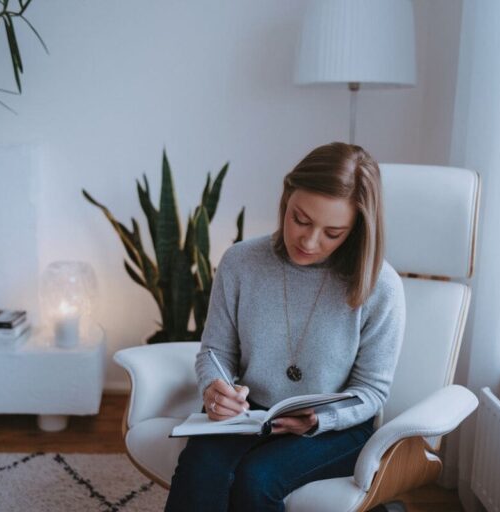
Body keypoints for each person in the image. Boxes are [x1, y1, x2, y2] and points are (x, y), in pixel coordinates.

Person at [164, 142, 406, 512]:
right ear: (286, 197)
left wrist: (319, 419)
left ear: (357, 228)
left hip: (335, 428)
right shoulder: (241, 262)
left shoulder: (379, 286)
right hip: (249, 415)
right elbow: (215, 352)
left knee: (256, 479)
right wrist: (215, 389)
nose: (309, 241)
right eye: (301, 220)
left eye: (333, 233)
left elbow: (372, 391)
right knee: (200, 472)